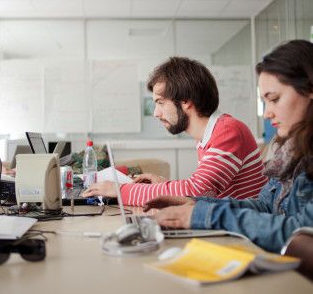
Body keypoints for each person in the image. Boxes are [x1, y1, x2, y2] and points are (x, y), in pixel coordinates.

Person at [143, 40, 313, 253]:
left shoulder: (228, 130)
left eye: (275, 99)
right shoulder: (289, 152)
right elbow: (265, 206)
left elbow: (301, 234)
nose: (268, 113)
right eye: (264, 102)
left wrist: (204, 214)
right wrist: (195, 204)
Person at [83, 57, 266, 205]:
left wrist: (120, 191)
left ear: (185, 100)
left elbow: (198, 191)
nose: (156, 113)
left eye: (161, 103)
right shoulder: (206, 136)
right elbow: (205, 190)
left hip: (245, 232)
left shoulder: (227, 131)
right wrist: (164, 184)